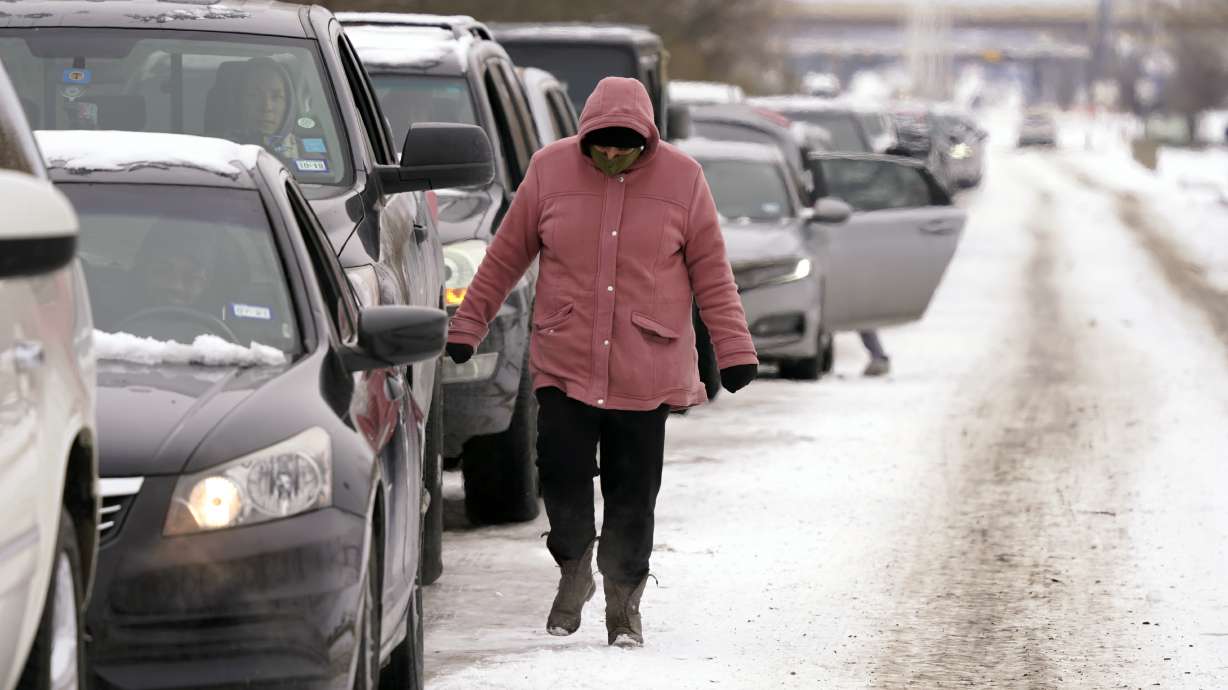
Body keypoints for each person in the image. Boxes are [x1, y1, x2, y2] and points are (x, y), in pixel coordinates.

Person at [444, 77, 758, 647]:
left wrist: (734, 350)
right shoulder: (549, 170)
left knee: (632, 492)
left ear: (647, 139)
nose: (612, 155)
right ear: (585, 135)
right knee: (561, 475)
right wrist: (468, 325)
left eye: (625, 146)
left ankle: (623, 604)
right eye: (602, 145)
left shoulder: (684, 179)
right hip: (565, 359)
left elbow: (713, 273)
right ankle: (573, 569)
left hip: (646, 367)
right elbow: (504, 259)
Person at [224, 58, 299, 158]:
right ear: (238, 102)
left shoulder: (308, 155)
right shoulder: (214, 151)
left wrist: (292, 162)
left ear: (289, 105)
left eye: (276, 96)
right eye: (254, 96)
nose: (267, 107)